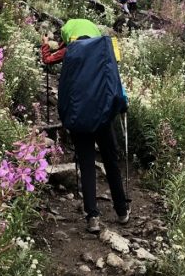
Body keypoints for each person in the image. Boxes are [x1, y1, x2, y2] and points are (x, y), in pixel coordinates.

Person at [41, 18, 130, 234]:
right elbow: (115, 80)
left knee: (87, 164)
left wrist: (66, 117)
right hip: (104, 116)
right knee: (111, 161)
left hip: (80, 118)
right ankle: (121, 210)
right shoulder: (105, 47)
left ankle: (93, 217)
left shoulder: (70, 52)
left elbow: (62, 85)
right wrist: (121, 104)